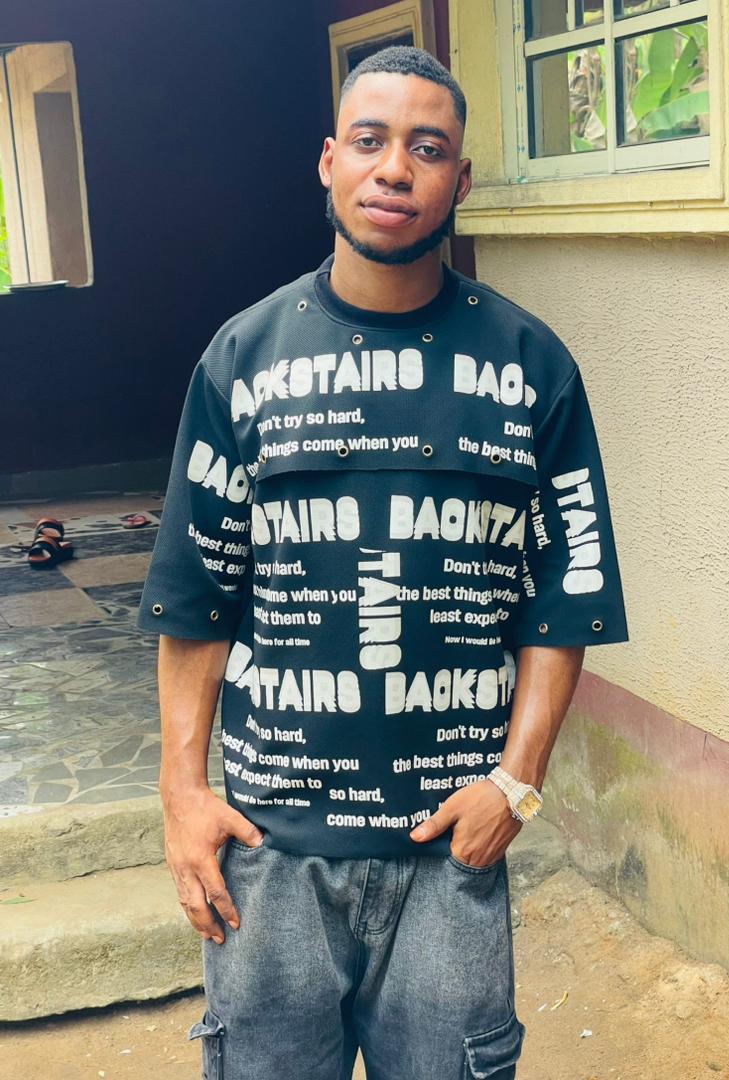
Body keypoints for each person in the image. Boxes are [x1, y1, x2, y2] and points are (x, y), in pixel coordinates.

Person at [137, 44, 629, 1080]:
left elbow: (563, 595)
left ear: (462, 179)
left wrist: (518, 783)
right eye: (370, 140)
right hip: (269, 851)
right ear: (330, 161)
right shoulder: (244, 360)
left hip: (450, 847)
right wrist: (184, 792)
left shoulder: (529, 365)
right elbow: (196, 596)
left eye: (427, 148)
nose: (395, 168)